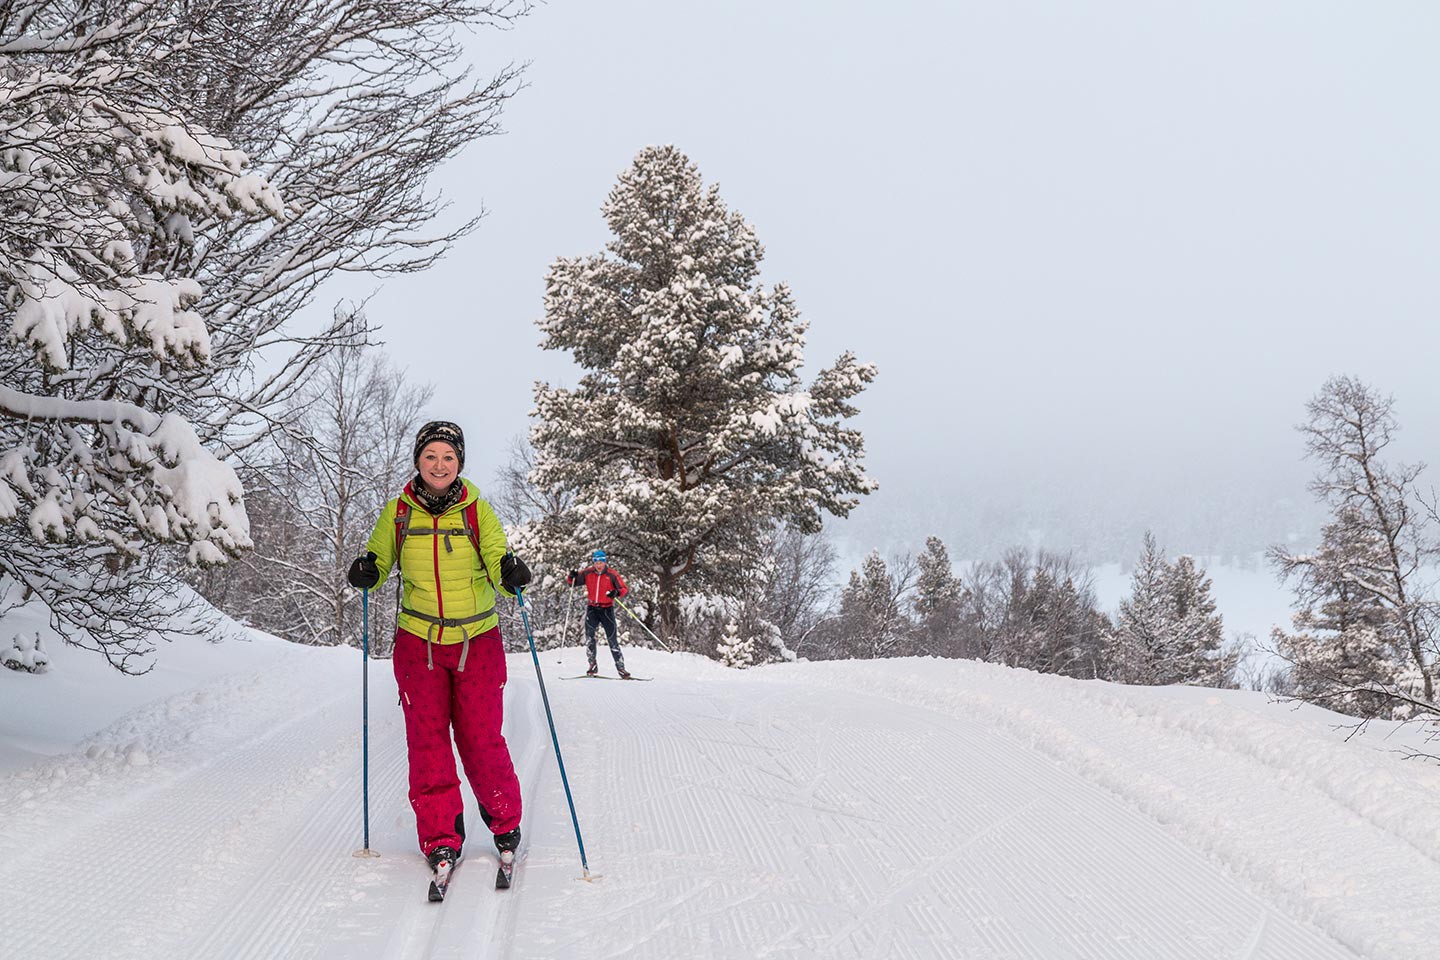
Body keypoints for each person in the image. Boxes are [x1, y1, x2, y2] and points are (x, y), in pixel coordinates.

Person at [346, 420, 531, 884]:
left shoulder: (477, 511)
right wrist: (368, 568)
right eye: (431, 456)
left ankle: (505, 824)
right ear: (418, 461)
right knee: (426, 743)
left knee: (481, 738)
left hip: (478, 642)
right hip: (418, 643)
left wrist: (508, 572)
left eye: (448, 456)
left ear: (460, 463)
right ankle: (441, 836)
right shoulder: (398, 513)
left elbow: (495, 556)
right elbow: (380, 558)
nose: (439, 464)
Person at [567, 549, 630, 678]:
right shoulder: (588, 573)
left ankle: (621, 668)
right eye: (596, 561)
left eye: (601, 561)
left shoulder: (612, 575)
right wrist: (571, 576)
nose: (598, 564)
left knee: (612, 639)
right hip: (592, 609)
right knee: (590, 638)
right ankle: (592, 665)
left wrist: (616, 593)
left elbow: (623, 589)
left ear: (605, 561)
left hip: (607, 610)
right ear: (593, 562)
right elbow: (572, 583)